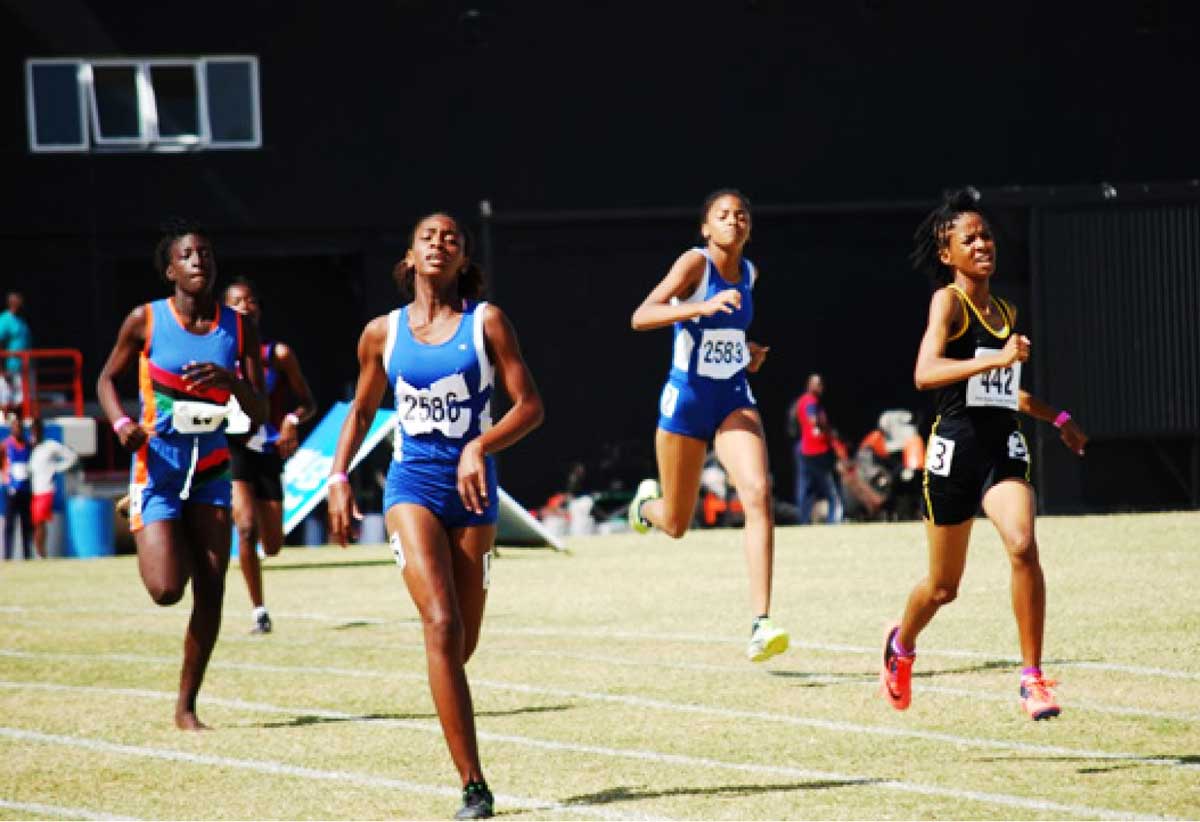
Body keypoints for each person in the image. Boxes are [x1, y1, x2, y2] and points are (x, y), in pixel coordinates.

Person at [327, 212, 542, 820]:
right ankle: (474, 784)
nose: (440, 243)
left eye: (452, 237)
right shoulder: (382, 334)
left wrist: (480, 444)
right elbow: (362, 408)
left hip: (473, 492)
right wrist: (338, 477)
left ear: (463, 258)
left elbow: (530, 407)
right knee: (441, 624)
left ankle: (447, 696)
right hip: (411, 485)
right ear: (410, 254)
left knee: (460, 644)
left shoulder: (487, 324)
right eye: (429, 236)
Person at [880, 190, 1088, 721]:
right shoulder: (948, 302)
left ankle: (1031, 679)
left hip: (1001, 448)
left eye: (986, 235)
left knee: (1022, 544)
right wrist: (995, 356)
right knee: (944, 587)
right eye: (968, 238)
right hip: (954, 452)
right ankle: (901, 645)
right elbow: (925, 374)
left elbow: (1005, 392)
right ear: (947, 253)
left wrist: (1058, 419)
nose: (982, 244)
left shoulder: (1006, 311)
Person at [96, 220, 266, 730]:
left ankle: (186, 707)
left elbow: (257, 414)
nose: (199, 261)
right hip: (159, 467)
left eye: (206, 253)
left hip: (212, 470)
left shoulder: (238, 327)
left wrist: (231, 381)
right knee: (168, 589)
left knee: (212, 588)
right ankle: (154, 522)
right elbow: (106, 378)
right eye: (187, 255)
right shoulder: (144, 320)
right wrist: (123, 422)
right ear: (171, 269)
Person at [628, 189, 789, 663]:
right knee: (677, 523)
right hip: (686, 403)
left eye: (741, 215)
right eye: (723, 215)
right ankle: (645, 508)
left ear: (749, 228)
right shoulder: (694, 265)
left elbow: (728, 335)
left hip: (733, 396)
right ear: (706, 228)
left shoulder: (751, 273)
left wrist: (748, 351)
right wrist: (694, 308)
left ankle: (762, 622)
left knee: (758, 493)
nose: (733, 221)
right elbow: (641, 317)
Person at [224, 277, 317, 634]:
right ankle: (259, 611)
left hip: (267, 448)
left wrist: (292, 420)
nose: (245, 306)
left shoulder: (277, 355)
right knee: (245, 528)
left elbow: (308, 403)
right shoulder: (215, 355)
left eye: (250, 300)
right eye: (236, 301)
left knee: (273, 544)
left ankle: (256, 555)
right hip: (231, 447)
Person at [792, 373, 845, 524]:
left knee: (806, 489)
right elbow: (813, 419)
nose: (821, 388)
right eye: (818, 384)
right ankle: (834, 521)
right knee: (831, 490)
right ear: (810, 385)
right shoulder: (810, 401)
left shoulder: (802, 401)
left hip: (805, 450)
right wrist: (829, 431)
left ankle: (803, 521)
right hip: (817, 451)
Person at [29, 417, 78, 558]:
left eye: (36, 431)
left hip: (46, 490)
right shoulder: (35, 450)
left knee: (40, 522)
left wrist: (57, 469)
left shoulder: (50, 446)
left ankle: (40, 554)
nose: (34, 435)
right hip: (35, 492)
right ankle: (39, 552)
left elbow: (71, 457)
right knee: (37, 523)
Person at [1, 413, 33, 559]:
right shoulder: (6, 445)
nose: (18, 430)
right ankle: (8, 556)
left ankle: (27, 555)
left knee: (26, 525)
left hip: (25, 490)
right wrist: (5, 477)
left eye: (20, 427)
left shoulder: (28, 445)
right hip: (12, 490)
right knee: (10, 525)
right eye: (15, 427)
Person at [0, 292, 33, 416]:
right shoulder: (4, 320)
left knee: (22, 400)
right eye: (18, 301)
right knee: (6, 399)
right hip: (10, 368)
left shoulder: (22, 320)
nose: (21, 303)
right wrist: (2, 369)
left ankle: (20, 424)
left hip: (24, 367)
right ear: (12, 303)